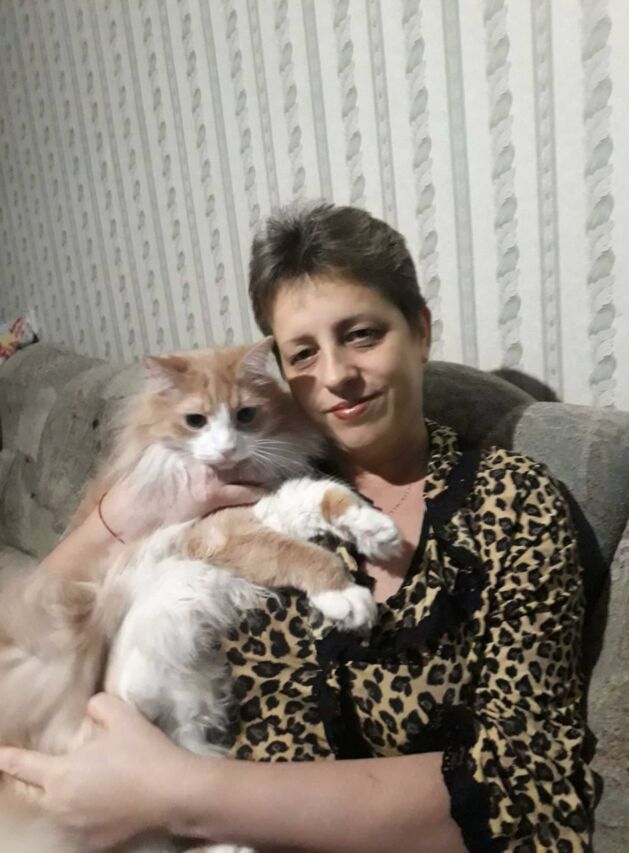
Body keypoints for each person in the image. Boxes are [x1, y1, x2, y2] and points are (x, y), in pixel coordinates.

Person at [0, 202, 598, 852]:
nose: (336, 375)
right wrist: (118, 519)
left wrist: (178, 793)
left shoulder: (511, 501)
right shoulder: (241, 474)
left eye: (362, 334)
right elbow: (31, 638)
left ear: (420, 332)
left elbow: (528, 780)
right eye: (304, 353)